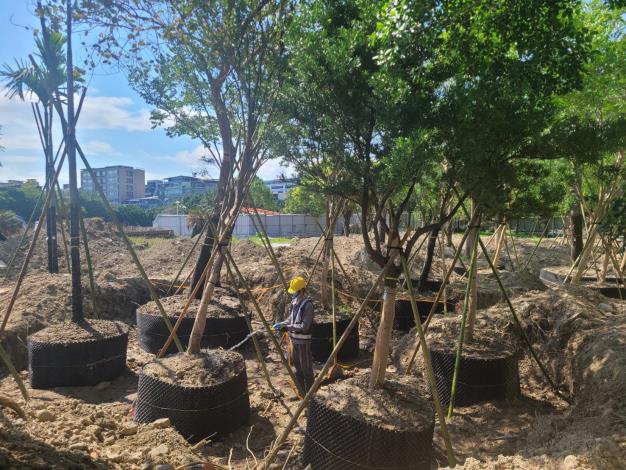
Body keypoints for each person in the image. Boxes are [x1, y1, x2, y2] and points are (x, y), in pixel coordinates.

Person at [273, 275, 315, 395]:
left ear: (301, 291)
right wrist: (281, 324)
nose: (293, 294)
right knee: (297, 369)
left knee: (306, 370)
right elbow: (290, 320)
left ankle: (311, 396)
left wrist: (287, 327)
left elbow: (304, 326)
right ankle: (301, 393)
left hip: (303, 343)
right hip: (294, 341)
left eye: (295, 292)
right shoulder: (294, 303)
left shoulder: (308, 306)